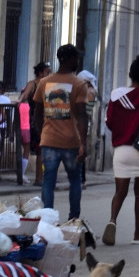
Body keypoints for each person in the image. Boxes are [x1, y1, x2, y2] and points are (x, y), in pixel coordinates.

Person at [34, 44, 90, 220]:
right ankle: (73, 219)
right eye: (76, 58)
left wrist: (41, 133)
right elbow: (81, 116)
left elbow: (36, 113)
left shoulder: (44, 83)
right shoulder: (79, 84)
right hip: (71, 142)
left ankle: (48, 220)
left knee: (48, 182)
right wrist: (83, 143)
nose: (78, 61)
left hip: (49, 141)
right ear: (69, 59)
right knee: (74, 181)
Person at [103, 56, 139, 246]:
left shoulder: (117, 94)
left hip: (121, 151)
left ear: (130, 74)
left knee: (120, 192)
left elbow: (109, 122)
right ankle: (137, 235)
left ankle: (112, 220)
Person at [21, 61, 53, 185]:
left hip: (46, 120)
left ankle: (42, 177)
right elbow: (25, 95)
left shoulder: (49, 85)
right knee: (41, 149)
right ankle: (39, 178)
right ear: (40, 73)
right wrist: (19, 100)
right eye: (47, 72)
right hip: (37, 120)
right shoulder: (34, 84)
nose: (49, 74)